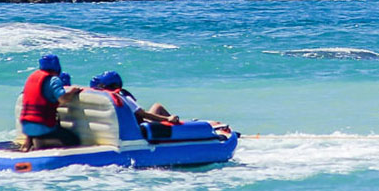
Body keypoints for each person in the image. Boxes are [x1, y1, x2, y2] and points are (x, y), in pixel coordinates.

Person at [89, 70, 227, 135]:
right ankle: (186, 126)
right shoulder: (122, 96)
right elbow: (144, 115)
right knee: (158, 107)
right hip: (138, 129)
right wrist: (168, 118)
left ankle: (188, 123)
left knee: (156, 107)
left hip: (117, 128)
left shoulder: (98, 97)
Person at [17, 54, 83, 151]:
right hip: (43, 127)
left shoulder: (32, 78)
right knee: (73, 140)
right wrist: (73, 92)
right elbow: (63, 99)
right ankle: (42, 143)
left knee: (37, 123)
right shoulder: (54, 80)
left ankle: (30, 141)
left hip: (26, 126)